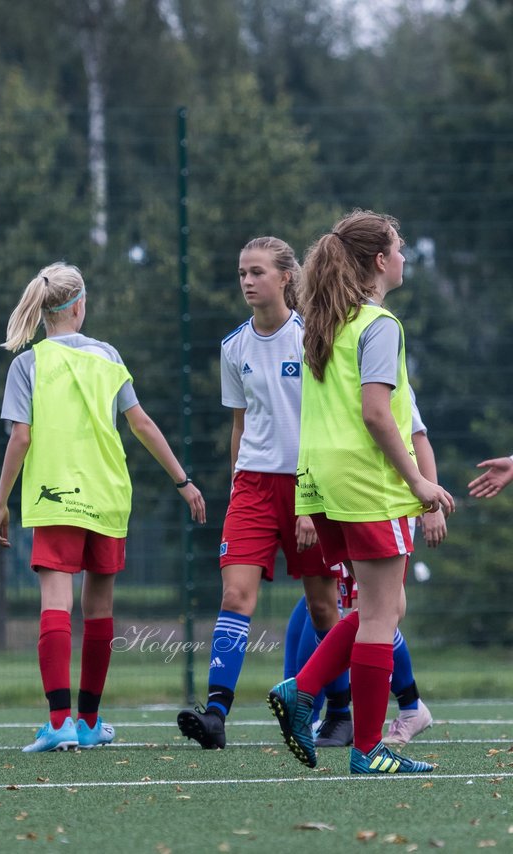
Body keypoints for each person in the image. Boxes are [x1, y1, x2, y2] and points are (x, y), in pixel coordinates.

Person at [0, 262, 206, 753]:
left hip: (54, 497)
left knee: (55, 606)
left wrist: (1, 502)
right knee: (100, 609)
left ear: (43, 311)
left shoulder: (28, 363)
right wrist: (183, 482)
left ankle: (61, 722)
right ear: (80, 306)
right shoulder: (108, 356)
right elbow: (143, 424)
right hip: (109, 497)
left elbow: (20, 438)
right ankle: (88, 723)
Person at [267, 210, 454, 776]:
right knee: (379, 616)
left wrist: (304, 498)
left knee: (382, 605)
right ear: (379, 261)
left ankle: (302, 688)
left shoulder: (325, 325)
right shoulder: (379, 325)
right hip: (368, 482)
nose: (403, 257)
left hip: (326, 483)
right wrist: (419, 481)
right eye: (397, 248)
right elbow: (377, 414)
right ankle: (367, 748)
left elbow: (318, 418)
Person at [176, 237, 342, 750]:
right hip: (251, 487)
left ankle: (342, 710)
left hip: (307, 486)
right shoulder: (233, 347)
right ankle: (217, 716)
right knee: (234, 596)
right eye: (241, 273)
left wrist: (312, 496)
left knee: (321, 607)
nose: (247, 281)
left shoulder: (313, 337)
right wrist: (235, 488)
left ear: (286, 277)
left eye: (257, 272)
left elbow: (326, 421)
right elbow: (239, 425)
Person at [286, 391, 444, 746]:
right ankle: (383, 716)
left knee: (377, 612)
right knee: (375, 612)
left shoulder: (371, 349)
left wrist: (429, 500)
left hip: (381, 500)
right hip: (350, 498)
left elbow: (415, 436)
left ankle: (315, 698)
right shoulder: (336, 351)